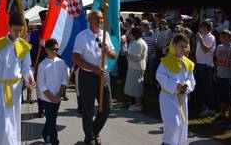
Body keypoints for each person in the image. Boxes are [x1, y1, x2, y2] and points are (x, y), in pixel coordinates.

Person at [0, 13, 35, 145]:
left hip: (15, 89)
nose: (18, 33)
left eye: (20, 30)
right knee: (2, 122)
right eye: (15, 30)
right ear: (9, 27)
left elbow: (26, 66)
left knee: (13, 120)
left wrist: (30, 77)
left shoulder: (23, 46)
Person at [73, 10, 116, 145]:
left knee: (107, 107)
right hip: (87, 76)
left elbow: (114, 55)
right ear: (89, 20)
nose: (100, 21)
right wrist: (94, 69)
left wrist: (108, 51)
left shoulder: (105, 35)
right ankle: (90, 137)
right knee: (88, 109)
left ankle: (94, 131)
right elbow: (75, 58)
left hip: (103, 76)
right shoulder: (82, 36)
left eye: (101, 18)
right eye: (96, 18)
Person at [156, 34, 195, 145]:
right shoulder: (166, 61)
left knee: (182, 124)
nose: (184, 49)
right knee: (173, 124)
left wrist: (186, 85)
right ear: (174, 46)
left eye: (186, 46)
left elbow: (191, 79)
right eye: (181, 46)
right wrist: (176, 85)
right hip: (168, 97)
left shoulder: (188, 63)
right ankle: (167, 143)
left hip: (182, 98)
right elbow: (160, 76)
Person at [37, 38, 69, 145]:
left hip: (58, 97)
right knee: (52, 121)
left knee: (51, 118)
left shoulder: (62, 62)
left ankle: (45, 133)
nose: (55, 51)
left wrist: (59, 95)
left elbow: (65, 80)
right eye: (52, 49)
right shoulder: (42, 65)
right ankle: (55, 142)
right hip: (47, 99)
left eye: (57, 49)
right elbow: (41, 84)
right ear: (46, 50)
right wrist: (51, 97)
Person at [213, 30, 231, 124]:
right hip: (220, 75)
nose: (222, 39)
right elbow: (217, 61)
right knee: (221, 97)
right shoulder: (219, 47)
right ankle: (222, 114)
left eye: (224, 37)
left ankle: (230, 117)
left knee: (230, 98)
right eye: (221, 37)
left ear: (229, 38)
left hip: (229, 77)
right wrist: (215, 73)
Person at [195, 20, 217, 118]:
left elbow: (205, 50)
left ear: (207, 28)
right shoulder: (204, 37)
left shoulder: (210, 37)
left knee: (207, 87)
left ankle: (211, 108)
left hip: (206, 65)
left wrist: (200, 39)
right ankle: (204, 106)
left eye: (202, 27)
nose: (200, 29)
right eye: (200, 27)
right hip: (200, 64)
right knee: (201, 87)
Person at [124, 26, 148, 112]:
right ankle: (135, 103)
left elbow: (137, 58)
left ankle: (138, 105)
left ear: (134, 34)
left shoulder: (139, 43)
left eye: (130, 33)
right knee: (134, 86)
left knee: (137, 87)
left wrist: (127, 57)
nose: (129, 34)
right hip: (133, 67)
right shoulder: (135, 42)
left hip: (137, 67)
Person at [141, 20, 158, 86]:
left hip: (151, 55)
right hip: (145, 55)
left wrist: (150, 53)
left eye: (143, 28)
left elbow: (155, 45)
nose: (142, 29)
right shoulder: (143, 34)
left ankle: (151, 82)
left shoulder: (154, 34)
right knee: (145, 69)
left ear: (146, 27)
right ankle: (146, 81)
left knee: (151, 69)